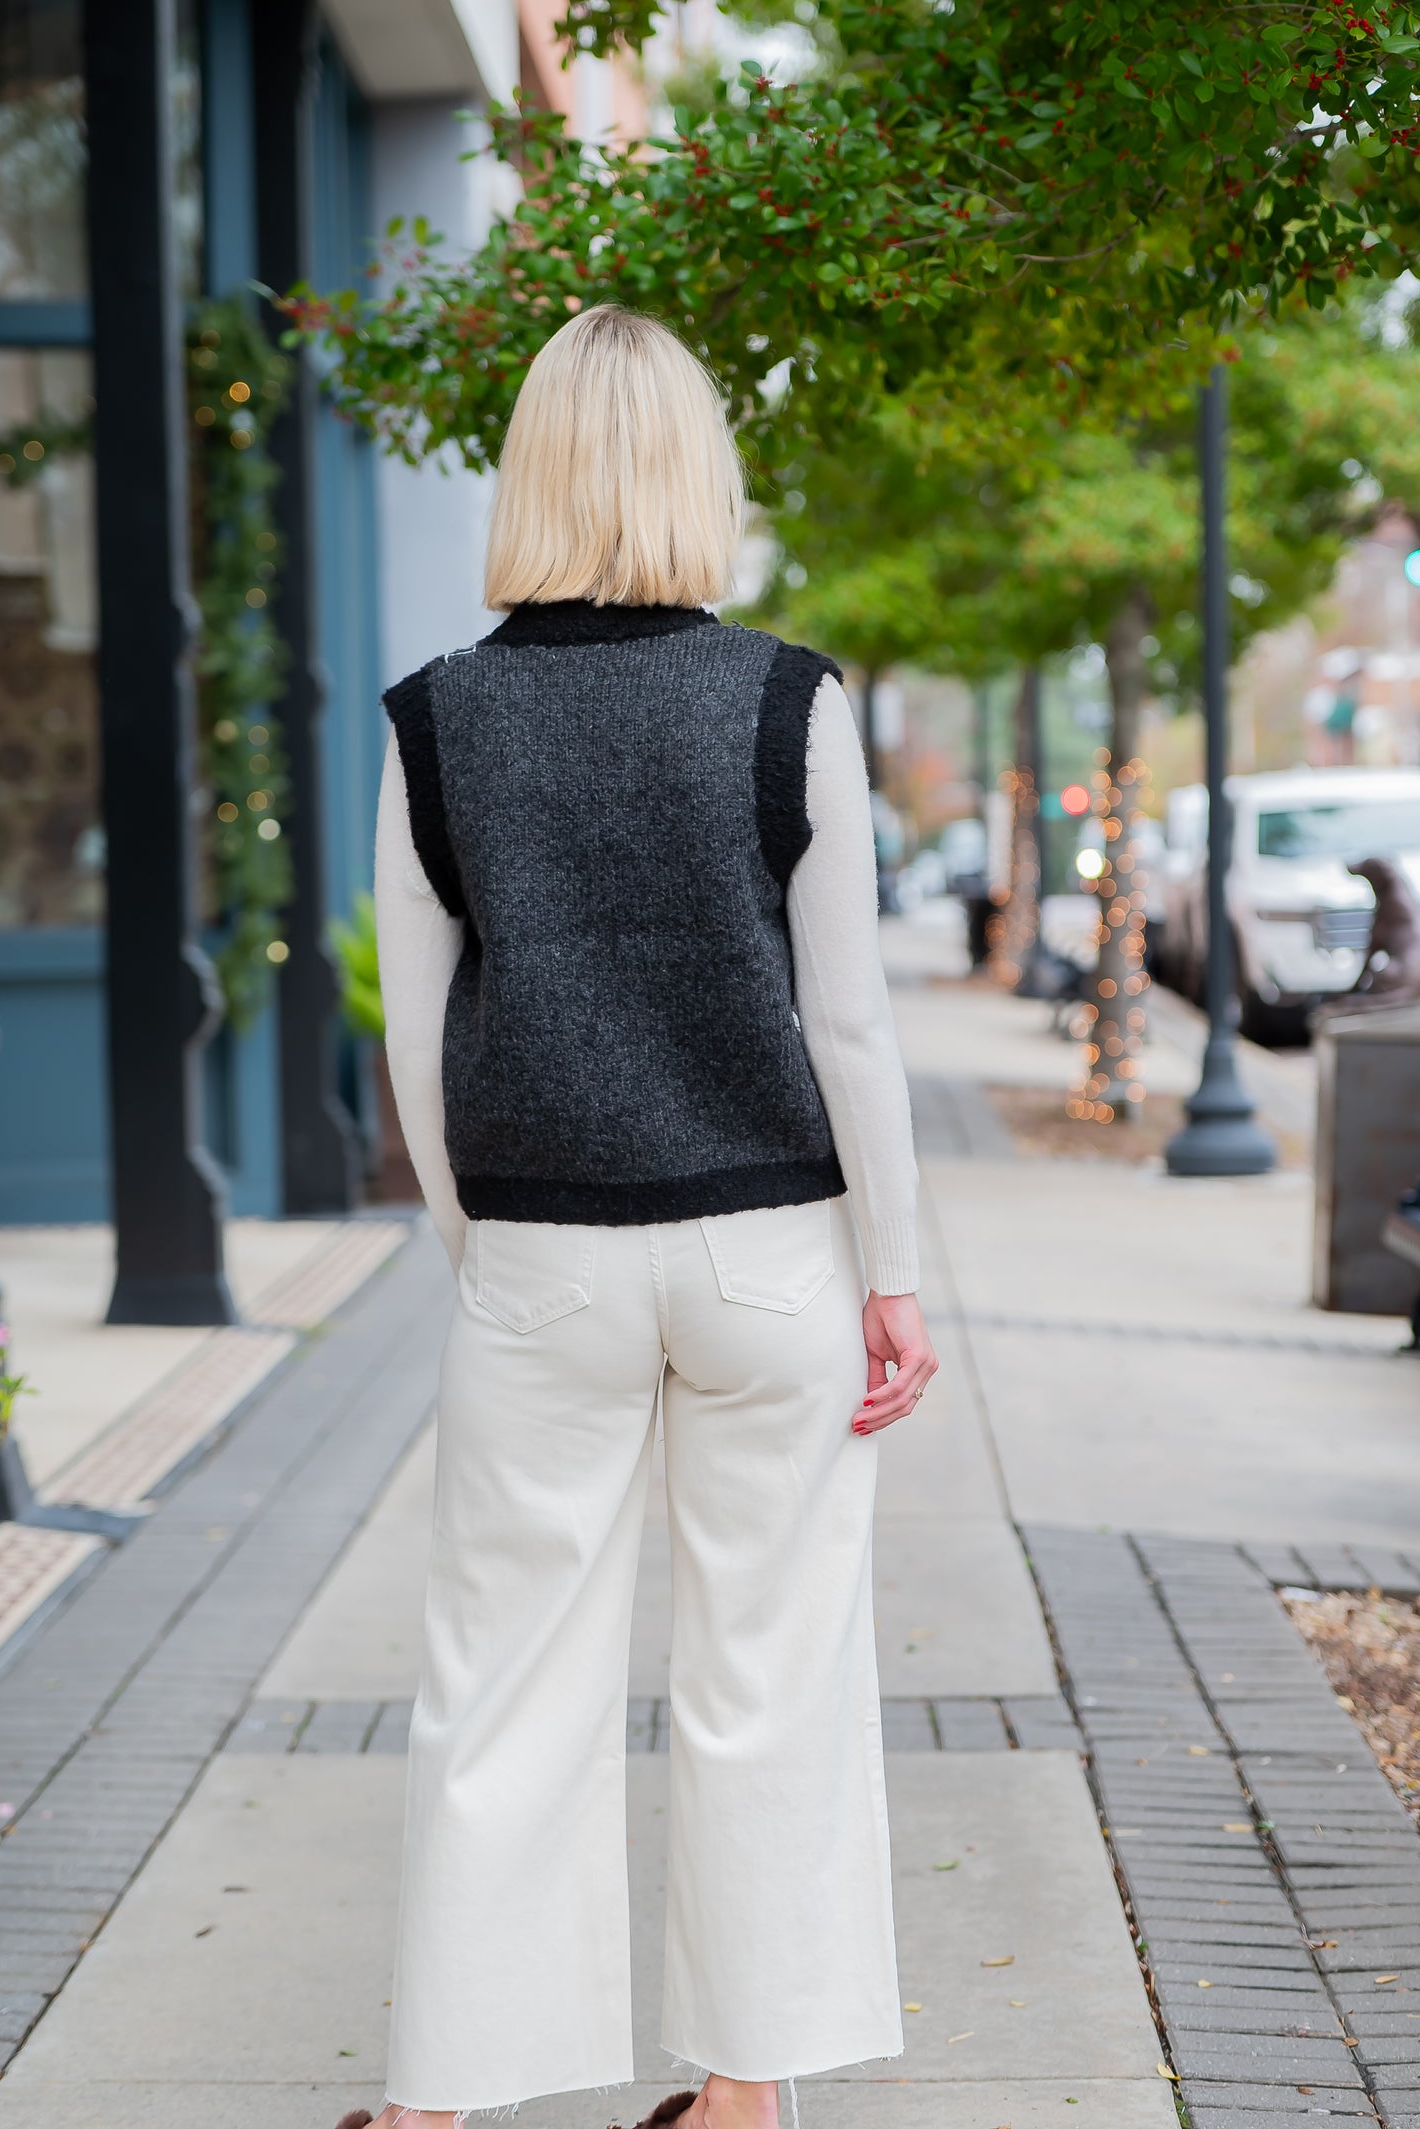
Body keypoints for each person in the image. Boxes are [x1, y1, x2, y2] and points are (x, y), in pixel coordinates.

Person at [342, 304, 938, 2129]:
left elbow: (420, 1045)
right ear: (700, 477)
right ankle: (738, 2097)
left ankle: (439, 2104)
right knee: (770, 1671)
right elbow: (846, 1022)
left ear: (526, 474)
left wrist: (480, 1241)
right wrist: (893, 1276)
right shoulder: (790, 702)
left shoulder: (439, 718)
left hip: (539, 1254)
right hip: (773, 1251)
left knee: (501, 1677)